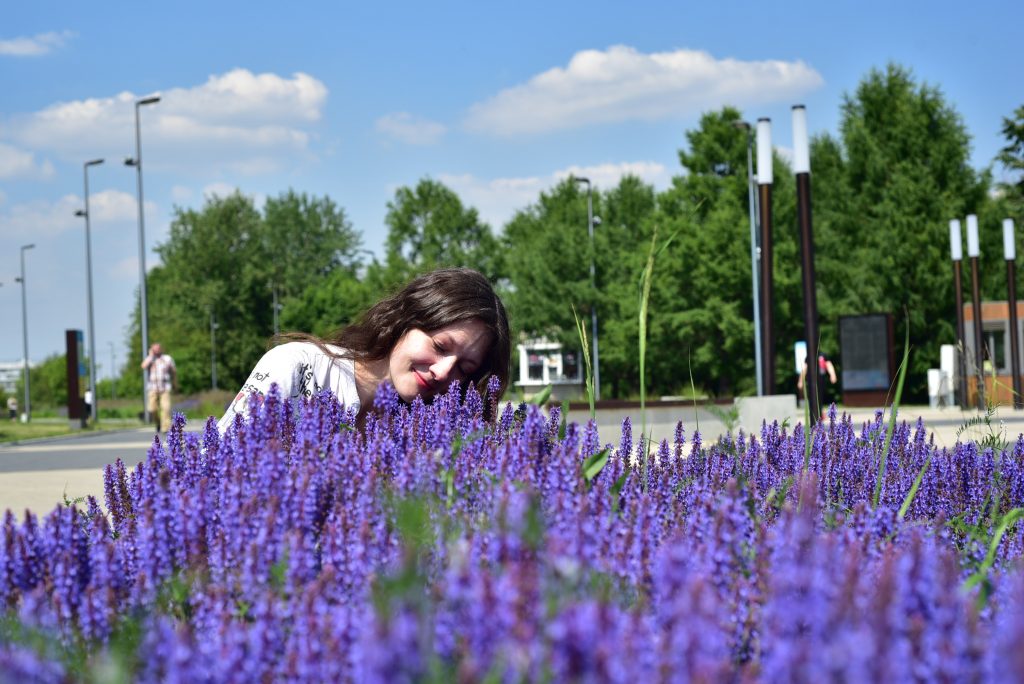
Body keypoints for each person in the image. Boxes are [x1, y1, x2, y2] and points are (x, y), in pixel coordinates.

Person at [217, 267, 511, 433]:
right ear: (407, 319)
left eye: (464, 368)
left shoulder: (432, 427)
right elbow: (216, 460)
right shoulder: (297, 367)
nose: (443, 372)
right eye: (440, 346)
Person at [141, 343, 177, 433]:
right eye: (154, 349)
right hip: (152, 388)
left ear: (161, 349)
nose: (157, 350)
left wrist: (174, 382)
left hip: (165, 387)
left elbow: (173, 371)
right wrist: (150, 356)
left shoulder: (167, 358)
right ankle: (158, 423)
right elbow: (143, 366)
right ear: (152, 350)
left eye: (158, 349)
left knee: (166, 408)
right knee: (152, 409)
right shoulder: (150, 359)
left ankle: (165, 428)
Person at [798, 351, 838, 419]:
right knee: (812, 397)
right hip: (811, 380)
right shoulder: (809, 356)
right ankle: (815, 413)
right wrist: (800, 381)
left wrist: (833, 375)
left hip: (821, 380)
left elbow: (828, 365)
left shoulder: (823, 355)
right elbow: (805, 368)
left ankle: (820, 412)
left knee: (820, 396)